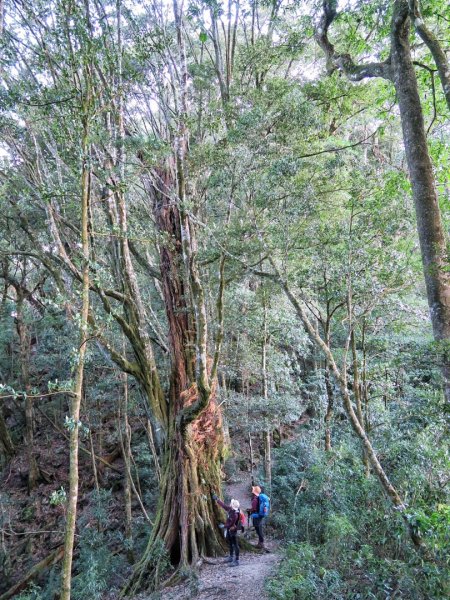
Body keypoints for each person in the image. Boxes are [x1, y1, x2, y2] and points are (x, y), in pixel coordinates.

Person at [212, 493, 240, 567]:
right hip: (229, 530)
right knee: (230, 543)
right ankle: (231, 557)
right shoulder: (230, 509)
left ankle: (237, 560)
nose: (230, 504)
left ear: (233, 506)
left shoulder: (235, 515)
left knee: (235, 545)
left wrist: (224, 526)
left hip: (233, 531)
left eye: (231, 504)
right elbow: (224, 506)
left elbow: (231, 524)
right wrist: (217, 499)